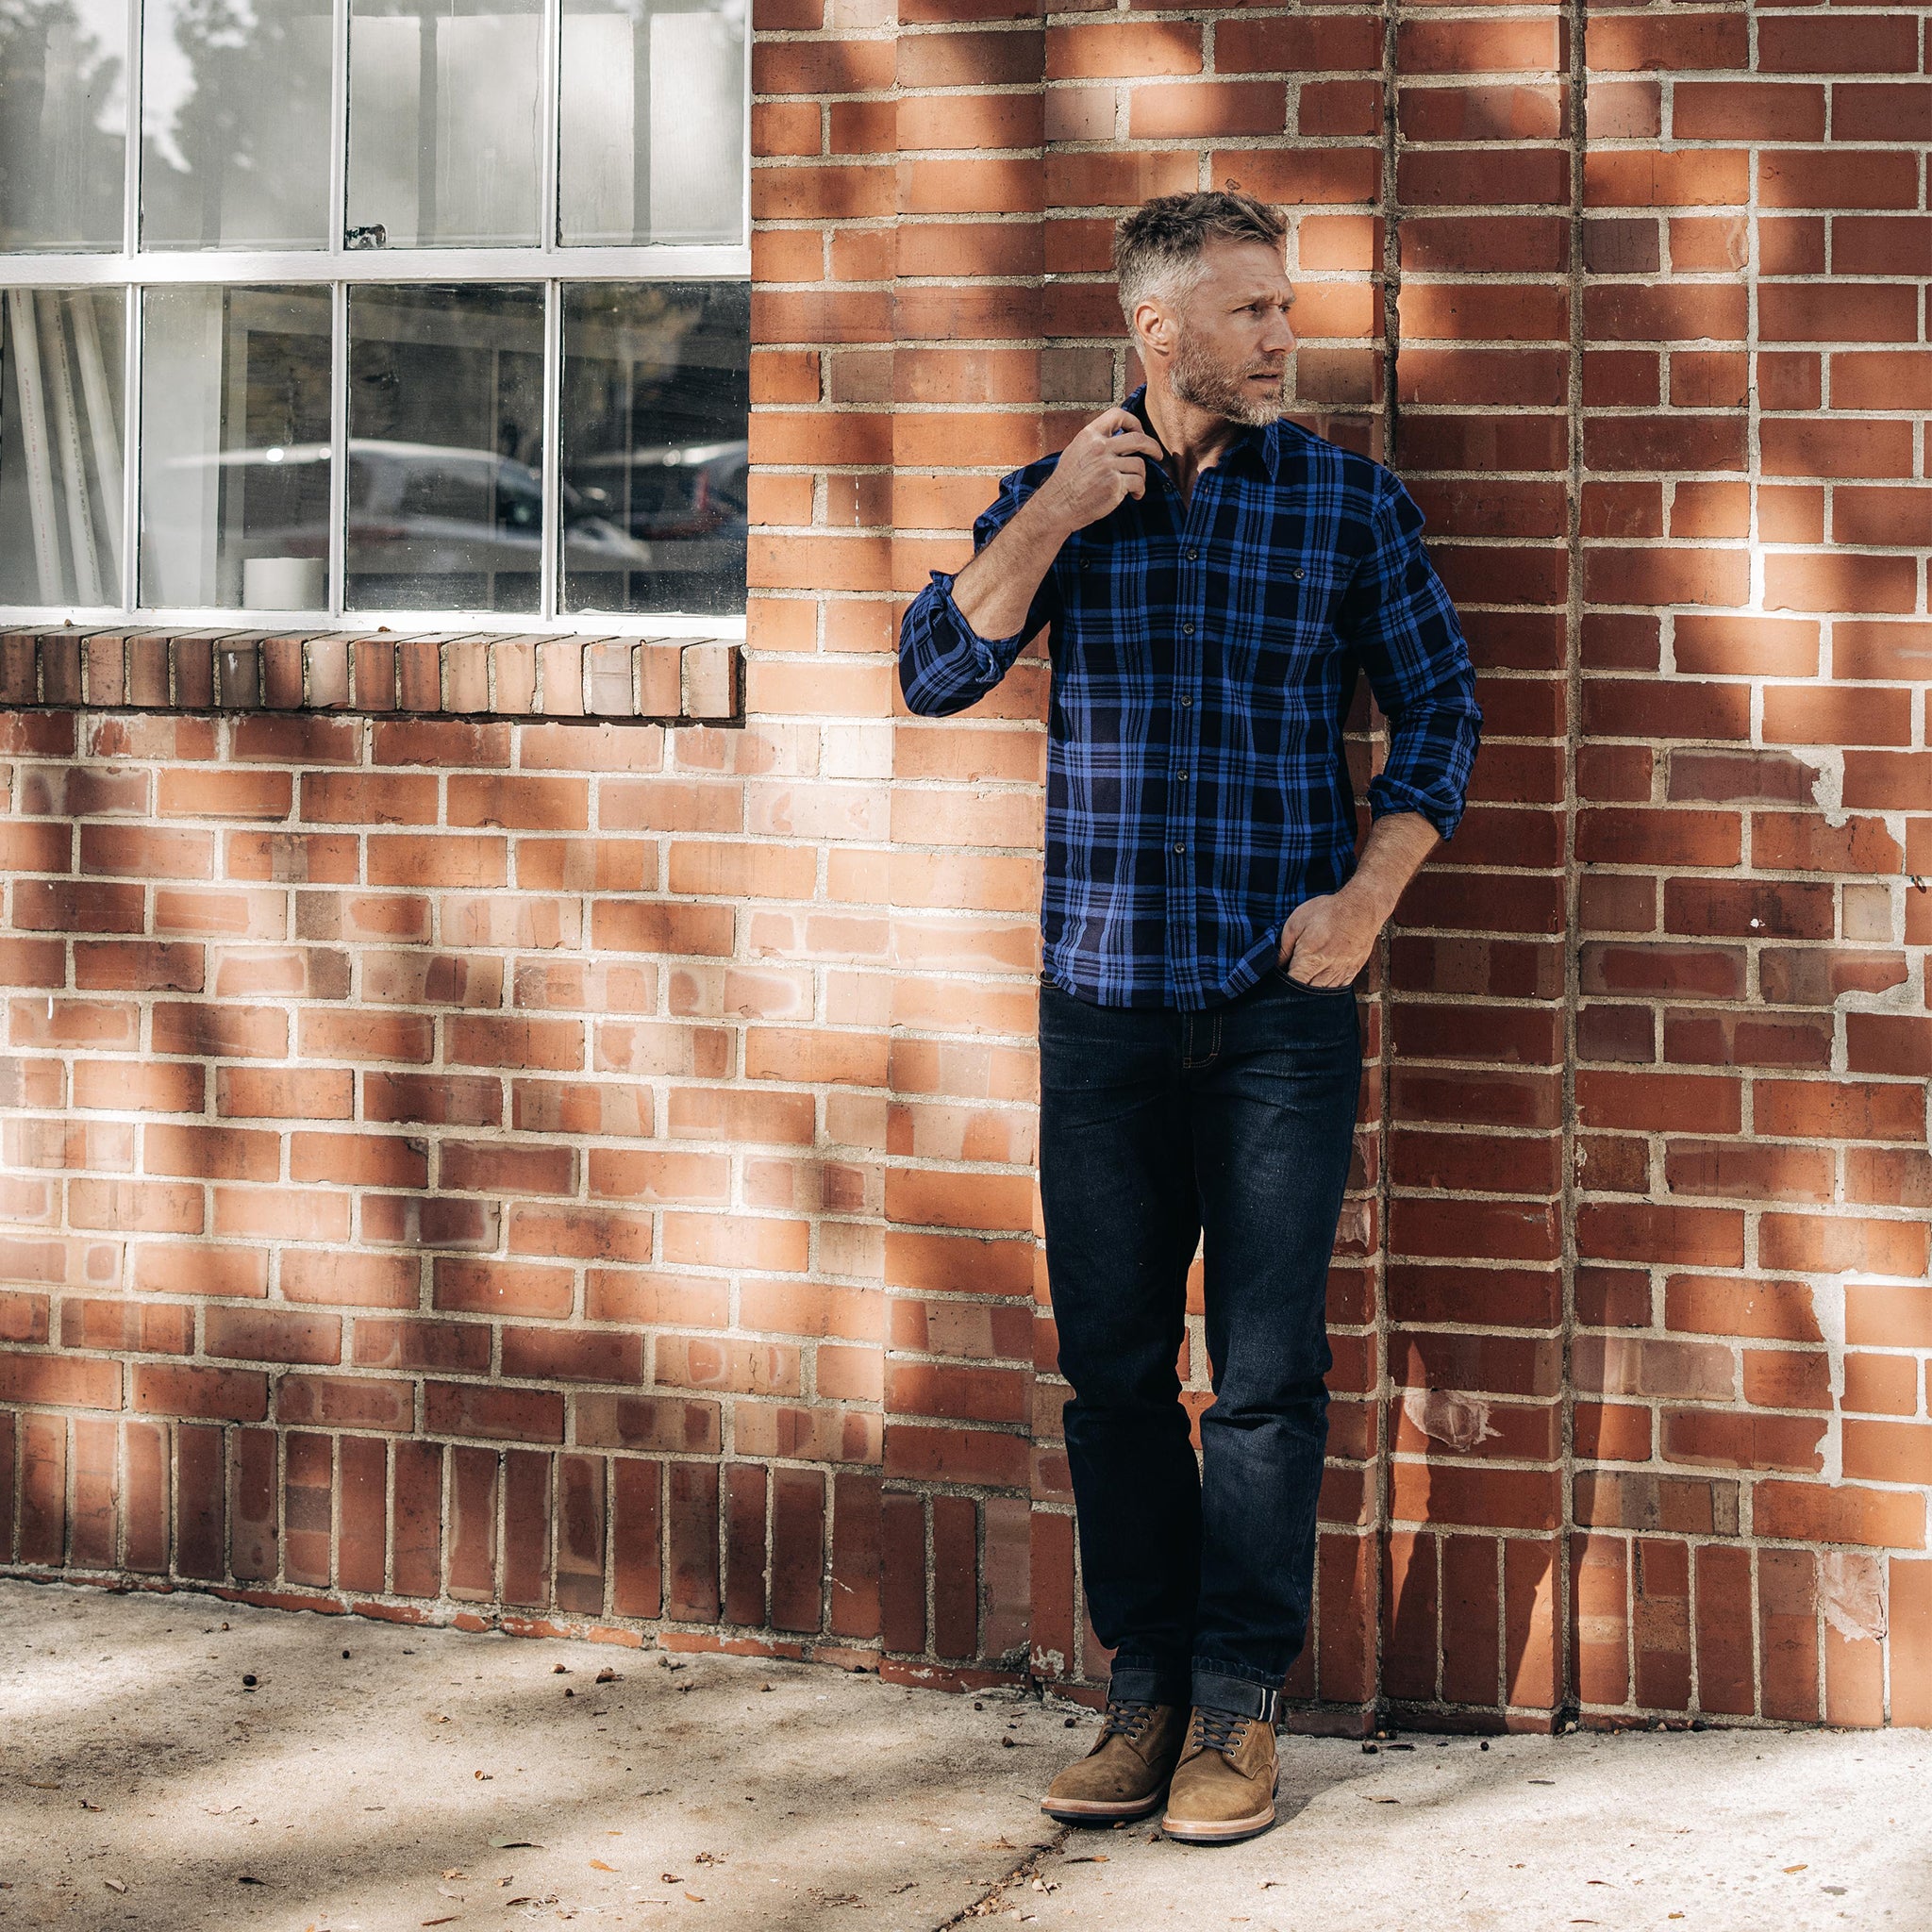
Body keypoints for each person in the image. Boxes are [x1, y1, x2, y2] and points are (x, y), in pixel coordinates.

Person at [896, 191, 1481, 1845]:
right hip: (1102, 1012)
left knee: (1270, 1377)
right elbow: (934, 672)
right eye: (1252, 312)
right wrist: (1051, 515)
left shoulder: (1345, 503)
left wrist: (1363, 904)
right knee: (1114, 1375)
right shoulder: (1065, 494)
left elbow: (1443, 710)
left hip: (1277, 1016)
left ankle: (1238, 1705)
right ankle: (1143, 1691)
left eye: (1286, 306)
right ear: (1159, 331)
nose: (1285, 337)